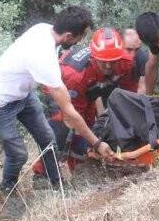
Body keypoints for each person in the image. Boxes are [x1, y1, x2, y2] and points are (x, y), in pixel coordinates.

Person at [0, 7, 114, 217]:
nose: (80, 43)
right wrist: (96, 142)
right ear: (68, 36)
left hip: (22, 95)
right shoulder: (42, 57)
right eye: (80, 37)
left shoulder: (44, 29)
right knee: (18, 153)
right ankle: (8, 191)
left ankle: (55, 183)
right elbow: (69, 111)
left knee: (48, 139)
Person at [35, 27, 140, 173]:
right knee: (65, 129)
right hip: (60, 89)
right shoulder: (75, 75)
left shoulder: (125, 62)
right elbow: (72, 117)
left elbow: (129, 97)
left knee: (91, 127)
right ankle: (42, 173)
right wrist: (96, 143)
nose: (108, 66)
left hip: (89, 90)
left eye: (112, 61)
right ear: (93, 57)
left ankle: (80, 168)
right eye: (103, 62)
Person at [123, 28, 151, 94]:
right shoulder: (113, 57)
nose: (133, 55)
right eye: (129, 49)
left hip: (133, 93)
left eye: (137, 49)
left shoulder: (142, 56)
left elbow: (142, 87)